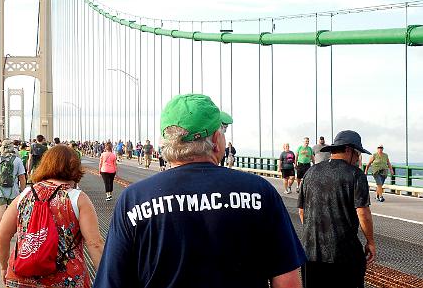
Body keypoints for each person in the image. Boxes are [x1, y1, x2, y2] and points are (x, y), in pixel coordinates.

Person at [93, 94, 305, 288]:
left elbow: (112, 282)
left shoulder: (134, 200)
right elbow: (288, 282)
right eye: (222, 130)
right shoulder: (260, 192)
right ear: (215, 140)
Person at [0, 144, 104, 288]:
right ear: (75, 168)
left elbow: (1, 237)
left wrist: (4, 267)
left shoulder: (25, 195)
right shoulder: (78, 198)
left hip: (22, 277)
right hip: (66, 280)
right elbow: (95, 244)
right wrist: (106, 279)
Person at [298, 130, 375, 288]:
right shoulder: (355, 175)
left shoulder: (310, 173)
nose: (358, 158)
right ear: (348, 150)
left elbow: (302, 212)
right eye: (358, 153)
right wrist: (370, 242)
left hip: (311, 254)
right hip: (344, 255)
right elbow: (362, 213)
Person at [0, 139, 26, 222]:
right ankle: (11, 232)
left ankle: (1, 231)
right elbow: (22, 177)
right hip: (13, 190)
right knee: (13, 213)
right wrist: (22, 191)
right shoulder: (17, 160)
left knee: (1, 210)